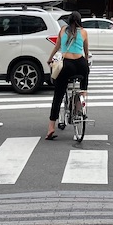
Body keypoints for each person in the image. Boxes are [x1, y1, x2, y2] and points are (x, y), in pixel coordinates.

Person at [44, 11, 90, 140]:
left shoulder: (63, 30)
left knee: (58, 96)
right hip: (81, 65)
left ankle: (51, 127)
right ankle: (82, 98)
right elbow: (86, 52)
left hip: (67, 65)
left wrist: (50, 58)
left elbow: (57, 47)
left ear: (68, 20)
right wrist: (85, 63)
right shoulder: (84, 32)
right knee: (83, 84)